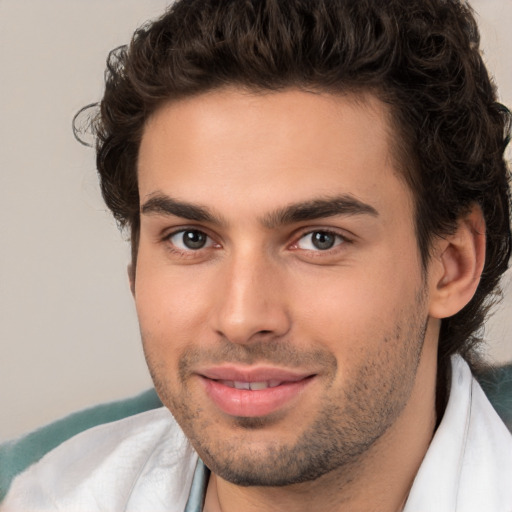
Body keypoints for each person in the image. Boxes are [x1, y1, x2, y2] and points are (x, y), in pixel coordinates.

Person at [3, 0, 512, 510]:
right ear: (136, 266)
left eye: (320, 239)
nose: (242, 318)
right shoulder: (41, 494)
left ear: (452, 264)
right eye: (192, 238)